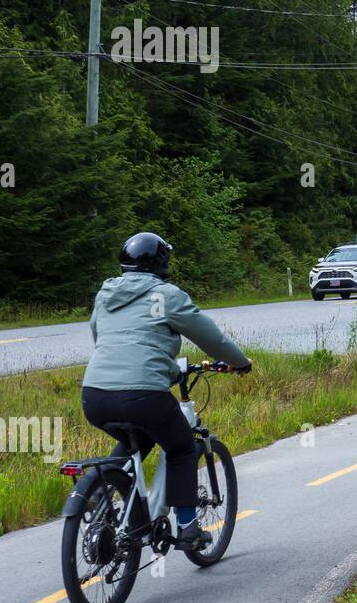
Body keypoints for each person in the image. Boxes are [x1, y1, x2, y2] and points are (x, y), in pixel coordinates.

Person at [82, 232, 251, 550]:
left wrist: (165, 370)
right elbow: (211, 338)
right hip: (142, 395)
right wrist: (239, 362)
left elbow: (100, 335)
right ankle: (188, 526)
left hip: (94, 395)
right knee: (182, 447)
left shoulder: (106, 294)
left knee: (138, 439)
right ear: (161, 263)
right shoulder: (167, 296)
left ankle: (105, 502)